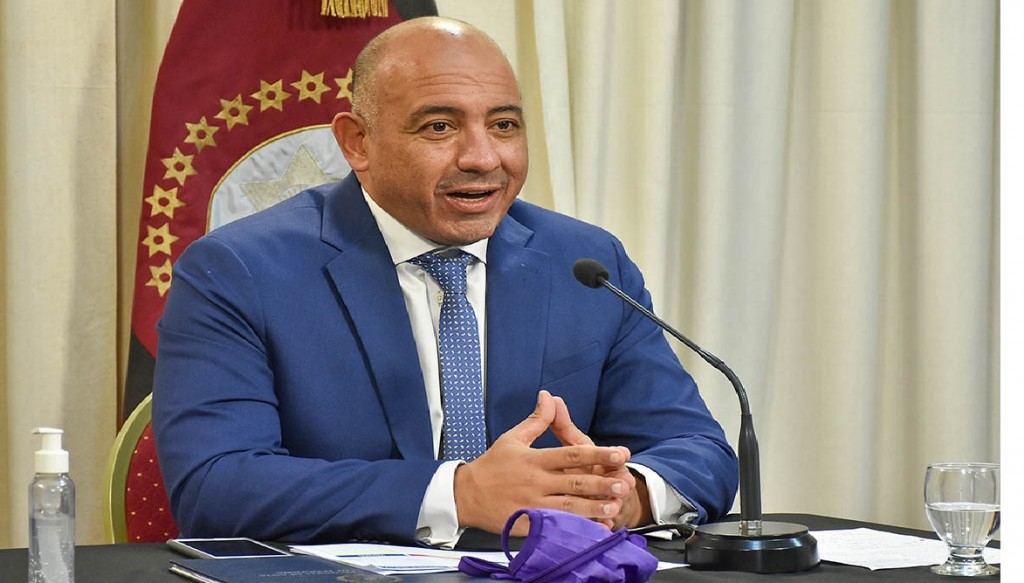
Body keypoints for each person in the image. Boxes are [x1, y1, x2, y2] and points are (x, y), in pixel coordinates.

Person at [152, 16, 738, 546]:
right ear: (357, 143)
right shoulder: (238, 270)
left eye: (504, 125)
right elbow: (215, 486)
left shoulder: (584, 263)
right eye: (439, 126)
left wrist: (623, 496)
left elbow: (699, 451)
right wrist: (460, 494)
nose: (483, 157)